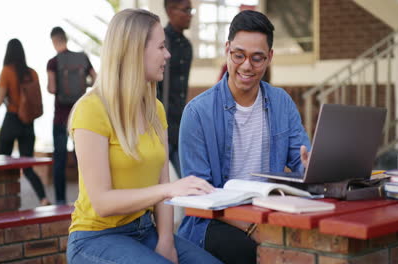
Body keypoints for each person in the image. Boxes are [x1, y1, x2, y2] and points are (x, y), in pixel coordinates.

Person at [66, 9, 223, 264]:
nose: (168, 54)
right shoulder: (91, 110)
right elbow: (103, 202)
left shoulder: (154, 109)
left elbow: (163, 187)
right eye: (161, 47)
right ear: (135, 50)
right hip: (96, 238)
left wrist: (166, 241)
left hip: (145, 231)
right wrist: (168, 189)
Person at [177, 10, 311, 264]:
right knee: (255, 252)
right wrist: (252, 227)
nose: (247, 66)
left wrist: (312, 164)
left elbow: (302, 160)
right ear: (227, 49)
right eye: (239, 55)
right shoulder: (197, 113)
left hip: (266, 213)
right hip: (213, 221)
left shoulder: (281, 102)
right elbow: (199, 198)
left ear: (270, 57)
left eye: (257, 58)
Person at [0, 38, 51, 206]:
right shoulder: (32, 73)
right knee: (27, 166)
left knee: (2, 161)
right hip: (28, 122)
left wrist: (1, 89)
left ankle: (1, 201)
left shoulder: (7, 71)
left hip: (12, 119)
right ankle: (43, 198)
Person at [47, 26, 97, 205]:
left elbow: (52, 88)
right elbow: (96, 79)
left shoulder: (53, 62)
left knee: (59, 159)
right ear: (65, 39)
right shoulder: (82, 57)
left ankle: (60, 201)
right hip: (80, 115)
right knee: (83, 158)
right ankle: (87, 197)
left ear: (54, 41)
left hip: (61, 117)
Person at [157, 0, 194, 178]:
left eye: (191, 10)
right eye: (186, 10)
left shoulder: (187, 46)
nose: (190, 15)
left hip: (180, 124)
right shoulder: (160, 43)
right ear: (171, 11)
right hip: (158, 123)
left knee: (184, 178)